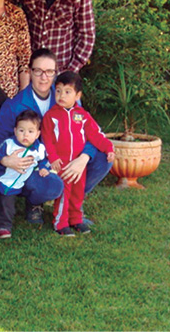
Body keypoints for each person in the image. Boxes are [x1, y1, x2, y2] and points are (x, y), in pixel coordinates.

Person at [0, 48, 67, 225]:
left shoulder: (66, 98)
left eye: (49, 72)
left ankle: (72, 203)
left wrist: (84, 157)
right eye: (38, 71)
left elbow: (87, 130)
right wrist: (3, 160)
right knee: (52, 185)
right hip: (32, 165)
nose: (44, 77)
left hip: (62, 157)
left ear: (55, 73)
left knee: (101, 158)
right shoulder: (14, 106)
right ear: (29, 72)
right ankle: (34, 201)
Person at [42, 71, 115, 236]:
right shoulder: (51, 116)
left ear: (78, 95)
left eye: (67, 92)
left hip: (78, 165)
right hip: (61, 165)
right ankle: (60, 223)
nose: (61, 95)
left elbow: (95, 134)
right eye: (58, 91)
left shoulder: (82, 116)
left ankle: (76, 219)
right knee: (64, 194)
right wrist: (53, 158)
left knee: (78, 193)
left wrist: (108, 147)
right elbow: (47, 140)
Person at [0, 110, 55, 239]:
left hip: (15, 184)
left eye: (30, 131)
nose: (25, 135)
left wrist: (43, 168)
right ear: (15, 131)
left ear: (37, 134)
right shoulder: (8, 144)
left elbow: (44, 160)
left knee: (7, 206)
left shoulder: (39, 149)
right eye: (21, 130)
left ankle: (4, 226)